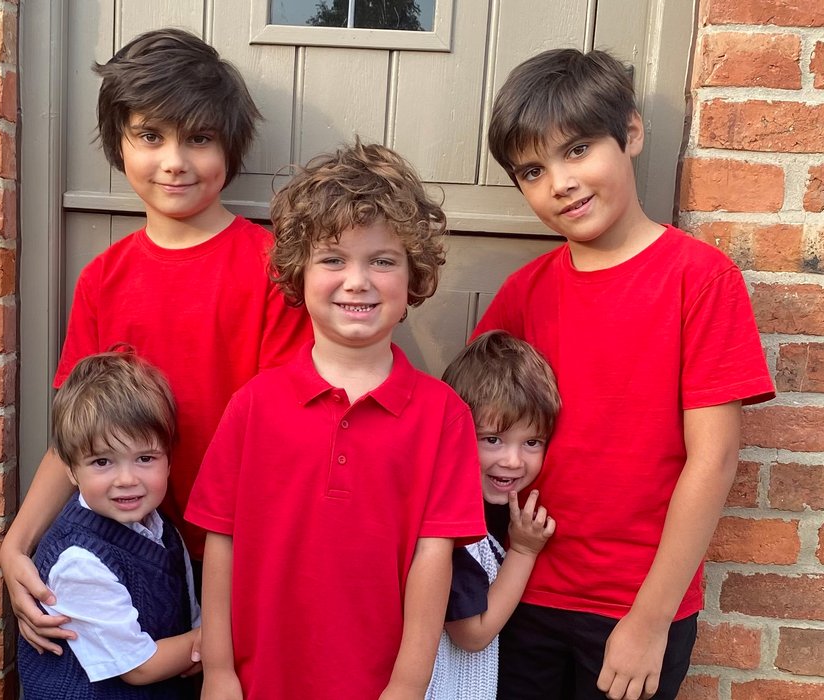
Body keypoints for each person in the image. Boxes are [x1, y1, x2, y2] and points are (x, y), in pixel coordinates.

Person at [474, 48, 775, 700]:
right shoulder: (524, 294)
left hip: (634, 605)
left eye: (578, 149)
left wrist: (650, 618)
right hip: (523, 591)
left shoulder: (700, 279)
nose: (560, 182)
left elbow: (715, 458)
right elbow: (466, 430)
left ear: (631, 133)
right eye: (533, 170)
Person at [1, 28, 312, 654]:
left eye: (198, 138)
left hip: (237, 554)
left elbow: (287, 439)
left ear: (230, 145)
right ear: (118, 142)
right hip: (121, 554)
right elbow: (77, 436)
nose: (174, 161)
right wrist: (17, 544)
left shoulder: (273, 270)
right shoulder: (103, 280)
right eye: (150, 136)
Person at [185, 140, 487, 699]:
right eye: (333, 259)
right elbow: (220, 543)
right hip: (259, 681)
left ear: (413, 275)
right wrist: (220, 672)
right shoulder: (253, 405)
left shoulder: (443, 415)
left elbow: (434, 559)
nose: (357, 280)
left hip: (377, 685)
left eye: (382, 260)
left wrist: (407, 686)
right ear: (298, 272)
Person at [17, 349, 201, 698]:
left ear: (169, 460)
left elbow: (188, 618)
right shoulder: (78, 561)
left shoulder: (165, 532)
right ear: (71, 470)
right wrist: (215, 642)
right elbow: (139, 666)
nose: (127, 479)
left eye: (145, 458)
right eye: (102, 462)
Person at [426, 330, 560, 700]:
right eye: (492, 439)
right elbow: (473, 634)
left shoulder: (496, 507)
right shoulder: (451, 527)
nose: (513, 461)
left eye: (531, 442)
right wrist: (524, 551)